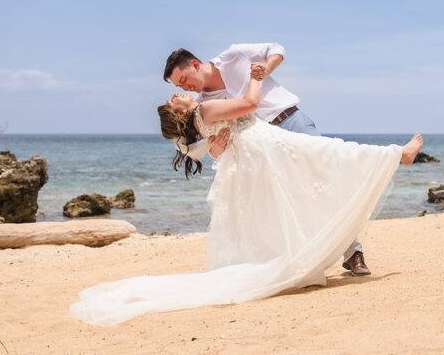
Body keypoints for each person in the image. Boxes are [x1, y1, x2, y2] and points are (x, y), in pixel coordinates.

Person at [69, 67, 422, 326]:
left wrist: (219, 145)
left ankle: (390, 162)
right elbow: (251, 104)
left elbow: (217, 152)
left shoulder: (198, 124)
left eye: (176, 89)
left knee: (306, 182)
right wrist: (254, 76)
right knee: (329, 155)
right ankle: (396, 155)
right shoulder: (203, 111)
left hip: (254, 157)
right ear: (181, 111)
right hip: (267, 146)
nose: (178, 93)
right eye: (174, 96)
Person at [163, 44, 373, 277]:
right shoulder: (202, 103)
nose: (184, 87)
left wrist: (265, 69)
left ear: (194, 65)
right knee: (296, 199)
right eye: (179, 85)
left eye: (182, 80)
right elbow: (215, 146)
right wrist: (215, 150)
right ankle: (336, 256)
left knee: (326, 178)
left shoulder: (233, 56)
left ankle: (353, 251)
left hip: (289, 120)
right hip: (265, 149)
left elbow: (277, 48)